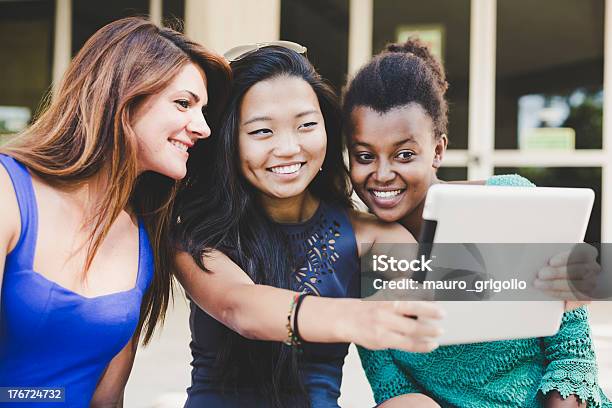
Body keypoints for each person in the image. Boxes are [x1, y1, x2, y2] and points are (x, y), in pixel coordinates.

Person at [344, 38, 611, 408]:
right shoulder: (358, 254)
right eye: (364, 155)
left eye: (404, 154)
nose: (382, 174)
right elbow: (392, 388)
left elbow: (572, 357)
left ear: (438, 150)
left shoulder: (512, 200)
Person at [173, 44, 445, 408]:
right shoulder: (198, 233)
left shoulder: (370, 236)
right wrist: (356, 317)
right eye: (262, 132)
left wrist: (540, 279)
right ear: (230, 142)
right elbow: (240, 309)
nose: (288, 148)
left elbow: (461, 293)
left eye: (306, 126)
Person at [0, 17, 231, 407]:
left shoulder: (145, 234)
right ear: (123, 97)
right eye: (184, 103)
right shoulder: (9, 191)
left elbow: (108, 399)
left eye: (203, 109)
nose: (203, 127)